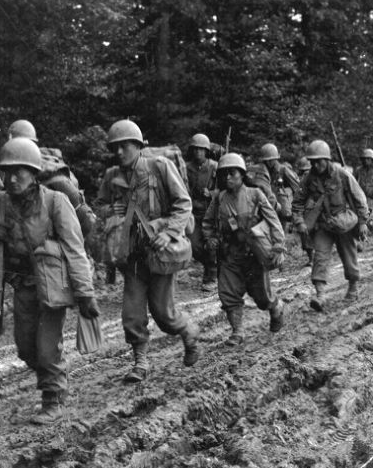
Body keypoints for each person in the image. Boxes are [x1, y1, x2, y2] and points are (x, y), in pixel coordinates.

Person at [0, 137, 98, 421]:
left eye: (19, 171)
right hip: (22, 286)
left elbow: (74, 249)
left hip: (53, 287)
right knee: (25, 348)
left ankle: (53, 399)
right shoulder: (0, 203)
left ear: (33, 173)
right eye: (6, 172)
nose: (11, 178)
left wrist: (85, 293)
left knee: (46, 348)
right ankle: (54, 381)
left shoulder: (55, 202)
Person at [94, 119, 201, 383]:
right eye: (115, 147)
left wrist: (167, 232)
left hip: (160, 251)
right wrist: (112, 212)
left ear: (138, 145)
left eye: (125, 146)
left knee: (164, 315)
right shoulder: (112, 177)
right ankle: (140, 362)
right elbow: (100, 207)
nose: (119, 152)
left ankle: (189, 333)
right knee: (131, 314)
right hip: (131, 255)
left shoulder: (159, 167)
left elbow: (183, 203)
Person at [202, 153, 285, 345]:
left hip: (253, 253)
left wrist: (279, 246)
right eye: (224, 175)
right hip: (229, 255)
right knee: (228, 294)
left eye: (232, 173)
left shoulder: (255, 194)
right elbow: (207, 222)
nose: (228, 178)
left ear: (242, 174)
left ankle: (276, 307)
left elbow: (273, 220)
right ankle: (237, 332)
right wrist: (210, 238)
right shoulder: (219, 199)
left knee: (262, 297)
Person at [293, 140, 369, 309]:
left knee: (349, 257)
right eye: (312, 161)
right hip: (323, 225)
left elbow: (359, 198)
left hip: (343, 224)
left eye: (318, 161)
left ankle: (353, 288)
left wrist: (363, 222)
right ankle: (320, 295)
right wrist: (299, 221)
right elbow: (297, 202)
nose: (315, 165)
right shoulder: (308, 178)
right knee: (319, 257)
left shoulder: (342, 174)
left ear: (326, 159)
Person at [185, 133, 218, 291]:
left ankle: (211, 277)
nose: (198, 152)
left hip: (211, 212)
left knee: (211, 244)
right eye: (195, 149)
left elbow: (225, 190)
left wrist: (211, 193)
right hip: (193, 212)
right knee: (194, 245)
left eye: (201, 149)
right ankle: (212, 267)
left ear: (206, 151)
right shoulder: (186, 168)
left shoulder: (215, 167)